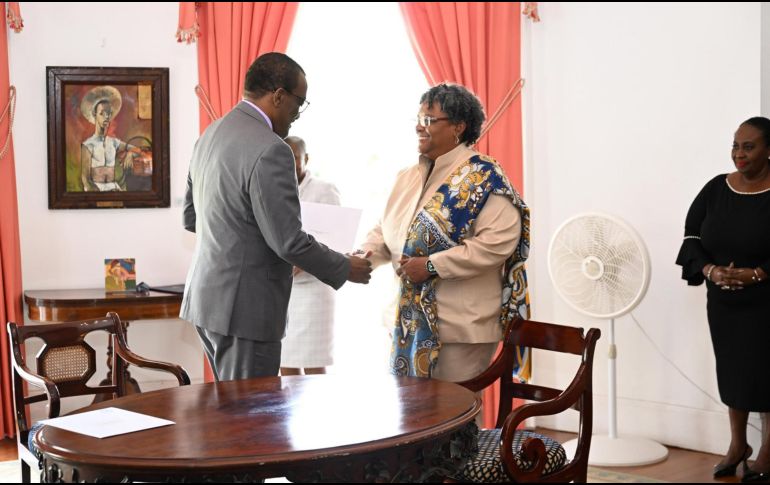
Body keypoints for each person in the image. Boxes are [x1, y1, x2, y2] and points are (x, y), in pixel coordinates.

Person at [181, 52, 372, 382]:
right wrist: (345, 267)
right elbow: (287, 241)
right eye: (299, 103)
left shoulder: (209, 135)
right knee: (249, 422)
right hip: (246, 310)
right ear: (279, 95)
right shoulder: (272, 148)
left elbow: (190, 218)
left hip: (205, 301)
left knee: (228, 415)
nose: (298, 114)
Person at [360, 83, 530, 383]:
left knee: (455, 419)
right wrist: (365, 256)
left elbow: (495, 244)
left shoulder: (484, 177)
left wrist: (430, 266)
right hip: (407, 320)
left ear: (458, 127)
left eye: (428, 120)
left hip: (459, 327)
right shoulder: (408, 176)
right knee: (413, 417)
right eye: (418, 118)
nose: (418, 127)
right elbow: (388, 229)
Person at [676, 116, 770, 483]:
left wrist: (757, 274)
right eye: (735, 146)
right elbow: (690, 236)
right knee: (732, 372)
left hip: (766, 301)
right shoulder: (716, 188)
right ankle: (737, 445)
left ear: (768, 150)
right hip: (725, 302)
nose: (739, 154)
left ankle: (767, 453)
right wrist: (712, 271)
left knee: (766, 372)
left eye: (749, 146)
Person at [280, 136, 340, 376]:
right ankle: (288, 410)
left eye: (294, 157)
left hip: (315, 288)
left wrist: (305, 260)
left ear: (306, 158)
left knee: (314, 358)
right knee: (286, 357)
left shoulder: (324, 190)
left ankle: (320, 410)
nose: (290, 163)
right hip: (283, 289)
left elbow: (336, 236)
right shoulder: (275, 187)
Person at [79, 86, 144, 192]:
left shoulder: (114, 142)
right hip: (95, 189)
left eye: (108, 113)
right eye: (102, 113)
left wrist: (130, 153)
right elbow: (85, 179)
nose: (106, 117)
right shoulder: (88, 145)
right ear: (95, 115)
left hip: (113, 188)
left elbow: (139, 150)